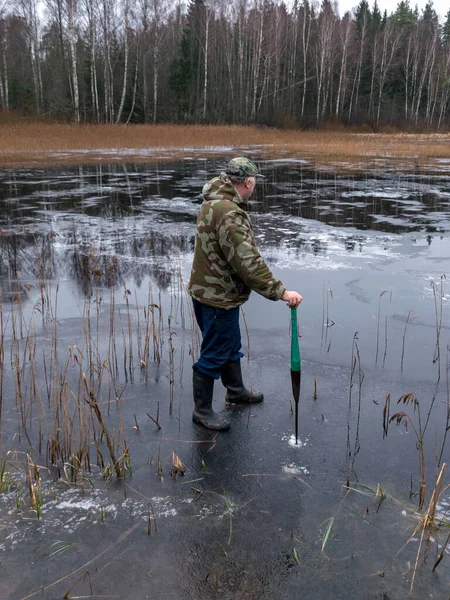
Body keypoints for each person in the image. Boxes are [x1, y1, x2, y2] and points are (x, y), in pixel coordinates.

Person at [187, 157, 302, 430]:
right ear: (248, 182)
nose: (254, 187)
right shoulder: (229, 213)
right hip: (218, 297)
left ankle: (235, 391)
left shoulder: (212, 202)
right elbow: (248, 263)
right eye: (255, 182)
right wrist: (281, 292)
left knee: (230, 343)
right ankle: (202, 411)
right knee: (214, 353)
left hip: (207, 290)